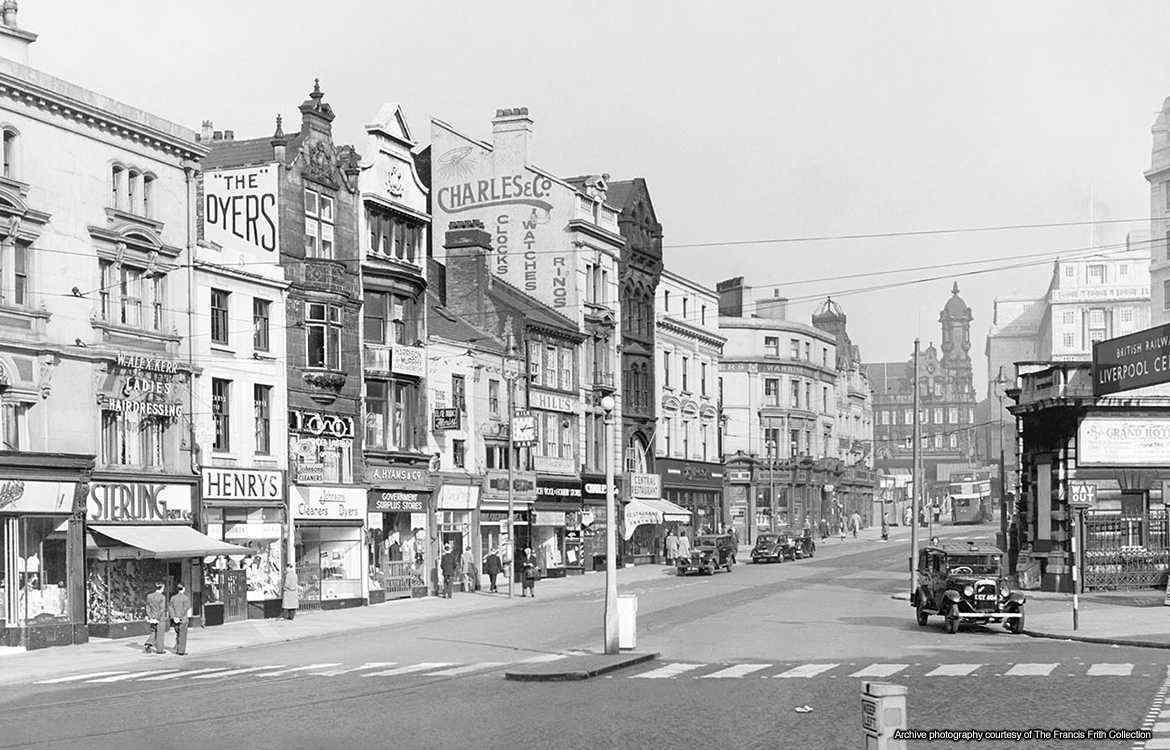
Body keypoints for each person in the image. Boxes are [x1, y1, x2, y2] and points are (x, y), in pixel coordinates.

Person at [168, 584, 191, 656]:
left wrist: (174, 617)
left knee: (178, 634)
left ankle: (178, 648)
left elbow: (170, 608)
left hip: (175, 620)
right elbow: (185, 609)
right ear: (183, 589)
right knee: (182, 635)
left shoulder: (173, 598)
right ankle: (181, 651)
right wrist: (179, 617)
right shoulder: (186, 598)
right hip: (182, 619)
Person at [144, 582, 166, 654]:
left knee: (153, 631)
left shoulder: (149, 596)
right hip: (160, 618)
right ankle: (160, 650)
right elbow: (162, 609)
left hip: (152, 617)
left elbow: (147, 607)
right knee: (160, 634)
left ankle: (148, 644)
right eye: (163, 588)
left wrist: (151, 617)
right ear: (161, 588)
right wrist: (157, 618)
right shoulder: (162, 597)